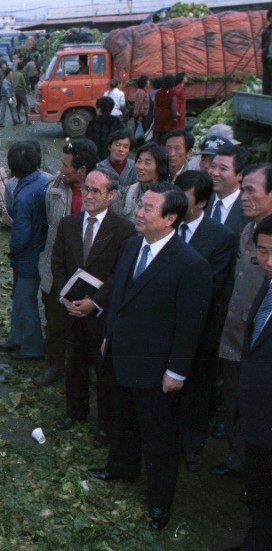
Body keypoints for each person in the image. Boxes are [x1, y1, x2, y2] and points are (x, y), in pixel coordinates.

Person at [87, 183, 212, 531]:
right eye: (139, 206)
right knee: (122, 418)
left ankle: (159, 502)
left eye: (147, 209)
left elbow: (190, 327)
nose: (138, 213)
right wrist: (108, 337)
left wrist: (176, 371)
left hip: (157, 368)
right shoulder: (131, 247)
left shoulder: (190, 266)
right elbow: (119, 299)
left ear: (171, 218)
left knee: (158, 436)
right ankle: (121, 468)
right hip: (122, 355)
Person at [51, 168, 135, 448]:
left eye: (95, 191)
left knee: (103, 371)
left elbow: (118, 274)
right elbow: (58, 263)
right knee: (73, 362)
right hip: (72, 309)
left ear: (111, 195)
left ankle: (105, 427)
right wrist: (65, 296)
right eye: (86, 188)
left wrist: (95, 302)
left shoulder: (123, 230)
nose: (87, 195)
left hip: (101, 314)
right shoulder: (68, 224)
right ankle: (75, 412)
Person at [210, 163, 272, 478]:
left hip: (262, 350)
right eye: (243, 188)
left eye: (251, 191)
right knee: (233, 404)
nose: (243, 197)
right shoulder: (248, 230)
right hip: (234, 340)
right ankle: (239, 461)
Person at [173, 170, 238, 473]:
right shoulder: (166, 224)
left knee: (196, 389)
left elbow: (209, 287)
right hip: (165, 326)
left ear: (201, 202)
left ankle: (192, 446)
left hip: (200, 329)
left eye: (182, 200)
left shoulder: (221, 238)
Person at [30, 139, 98, 385]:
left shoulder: (107, 191)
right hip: (57, 266)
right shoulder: (54, 189)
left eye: (67, 165)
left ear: (82, 170)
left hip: (90, 270)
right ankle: (54, 364)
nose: (61, 169)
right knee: (56, 320)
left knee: (88, 323)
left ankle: (87, 365)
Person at [231, 214, 272, 550]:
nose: (268, 262)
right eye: (262, 251)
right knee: (259, 490)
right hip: (258, 414)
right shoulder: (267, 282)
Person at [0, 142, 49, 359]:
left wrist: (13, 249)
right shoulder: (43, 180)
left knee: (26, 303)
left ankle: (32, 348)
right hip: (40, 249)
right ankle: (16, 338)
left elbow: (20, 234)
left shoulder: (24, 196)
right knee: (19, 299)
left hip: (29, 255)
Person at [205, 144, 253, 235]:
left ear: (240, 175)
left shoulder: (249, 208)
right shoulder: (201, 200)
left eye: (223, 169)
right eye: (213, 166)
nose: (214, 173)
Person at [120, 142, 170, 223]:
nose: (140, 167)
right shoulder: (130, 190)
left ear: (160, 167)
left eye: (147, 163)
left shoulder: (168, 194)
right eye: (139, 161)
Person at [97, 130, 136, 198]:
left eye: (125, 146)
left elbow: (137, 189)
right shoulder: (99, 167)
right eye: (117, 145)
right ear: (109, 147)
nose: (121, 149)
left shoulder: (135, 166)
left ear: (129, 150)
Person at [152, 74, 179, 144]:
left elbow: (155, 105)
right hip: (167, 118)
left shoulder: (158, 92)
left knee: (157, 138)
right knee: (166, 139)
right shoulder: (172, 93)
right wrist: (176, 116)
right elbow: (173, 109)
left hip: (158, 117)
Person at [132, 75, 150, 143]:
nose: (149, 82)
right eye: (147, 80)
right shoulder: (140, 92)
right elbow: (139, 104)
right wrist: (140, 115)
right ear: (144, 82)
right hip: (141, 115)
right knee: (141, 130)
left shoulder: (143, 91)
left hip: (143, 115)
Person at [263, 9, 272, 95]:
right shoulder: (266, 31)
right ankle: (265, 107)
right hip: (268, 61)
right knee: (266, 86)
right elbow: (263, 45)